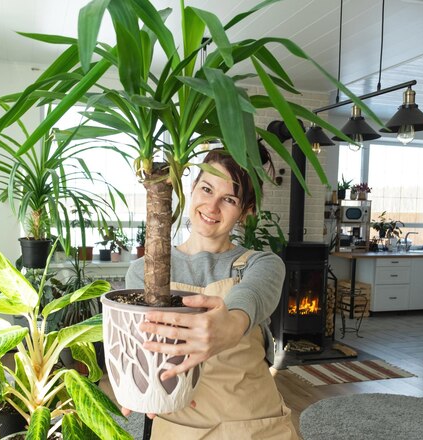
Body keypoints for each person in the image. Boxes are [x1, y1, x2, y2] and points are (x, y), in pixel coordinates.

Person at [123, 146, 298, 439]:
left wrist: (231, 323)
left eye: (228, 199)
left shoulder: (263, 264)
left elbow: (250, 297)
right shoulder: (145, 272)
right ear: (192, 188)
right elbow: (141, 348)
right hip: (179, 424)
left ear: (246, 212)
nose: (212, 207)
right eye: (206, 189)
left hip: (254, 423)